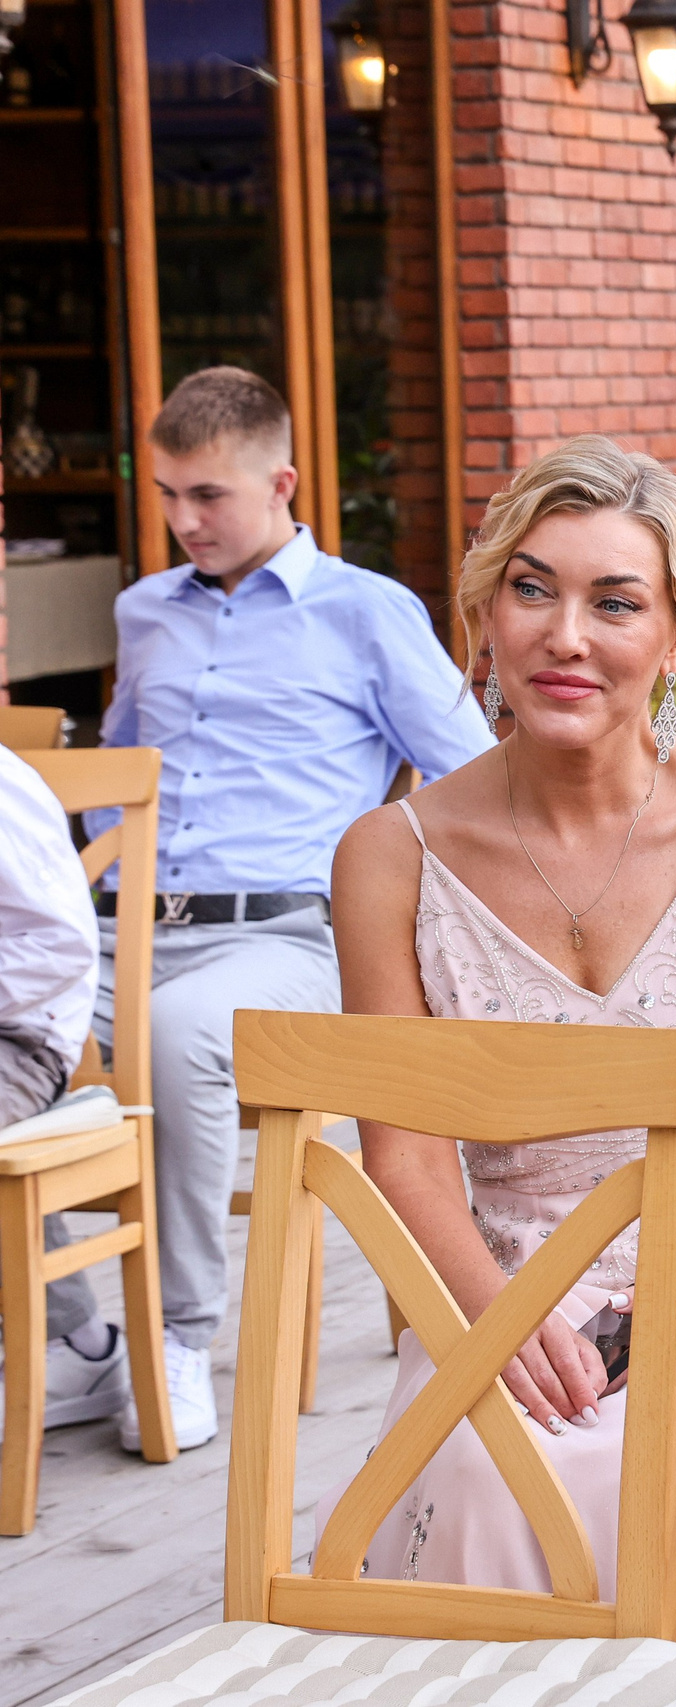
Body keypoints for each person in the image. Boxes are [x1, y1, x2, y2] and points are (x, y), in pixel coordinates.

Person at [326, 437, 676, 1707]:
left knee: (660, 1462)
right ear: (481, 616)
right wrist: (503, 1316)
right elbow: (405, 1158)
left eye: (615, 601)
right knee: (490, 1467)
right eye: (531, 591)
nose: (564, 636)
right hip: (500, 1282)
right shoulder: (389, 856)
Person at [95, 365, 490, 1455]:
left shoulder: (367, 613)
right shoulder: (143, 614)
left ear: (282, 483)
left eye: (207, 497)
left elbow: (473, 781)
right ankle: (81, 1339)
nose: (183, 521)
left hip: (286, 938)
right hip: (118, 929)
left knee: (177, 1039)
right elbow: (124, 774)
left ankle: (177, 1333)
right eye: (168, 495)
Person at [0, 745, 127, 1428]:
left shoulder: (3, 788)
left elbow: (57, 948)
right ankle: (80, 1338)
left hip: (18, 1036)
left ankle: (75, 1342)